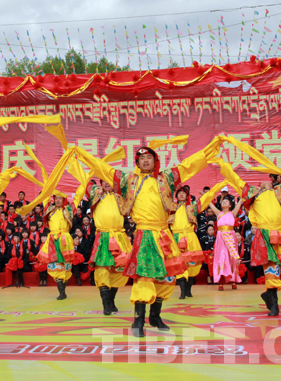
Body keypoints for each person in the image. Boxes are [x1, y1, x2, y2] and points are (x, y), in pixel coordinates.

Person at [77, 138, 222, 336]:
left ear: (155, 161)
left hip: (164, 234)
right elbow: (103, 169)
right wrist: (82, 154)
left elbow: (189, 166)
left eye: (149, 158)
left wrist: (207, 152)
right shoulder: (129, 180)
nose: (145, 161)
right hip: (144, 234)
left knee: (166, 276)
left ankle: (155, 315)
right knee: (144, 276)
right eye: (141, 158)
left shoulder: (167, 178)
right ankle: (138, 320)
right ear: (137, 163)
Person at [215, 159, 281, 317]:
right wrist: (223, 165)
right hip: (265, 235)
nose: (265, 184)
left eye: (267, 182)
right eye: (261, 184)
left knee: (278, 267)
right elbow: (236, 180)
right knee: (270, 268)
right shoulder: (254, 195)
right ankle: (274, 303)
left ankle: (269, 295)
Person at [170, 181, 226, 299]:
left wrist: (218, 187)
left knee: (192, 265)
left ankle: (188, 289)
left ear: (187, 196)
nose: (181, 195)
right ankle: (182, 290)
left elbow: (206, 198)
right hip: (176, 237)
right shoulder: (171, 208)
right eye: (179, 193)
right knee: (179, 264)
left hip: (190, 237)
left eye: (183, 193)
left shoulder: (193, 206)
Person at [87, 179, 132, 315]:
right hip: (103, 238)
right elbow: (86, 183)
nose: (107, 184)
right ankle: (106, 304)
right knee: (102, 269)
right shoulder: (96, 194)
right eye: (104, 181)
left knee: (118, 269)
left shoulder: (120, 196)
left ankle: (111, 301)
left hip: (119, 237)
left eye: (110, 181)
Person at [36, 193, 74, 300]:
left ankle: (63, 290)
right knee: (55, 265)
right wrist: (48, 188)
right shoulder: (50, 210)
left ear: (63, 200)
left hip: (65, 239)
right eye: (56, 198)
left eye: (60, 199)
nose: (58, 200)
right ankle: (61, 292)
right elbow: (45, 198)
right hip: (53, 240)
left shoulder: (68, 210)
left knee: (66, 266)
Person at [208, 195, 245, 290]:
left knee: (231, 257)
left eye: (226, 201)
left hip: (231, 238)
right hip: (220, 238)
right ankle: (220, 281)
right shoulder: (218, 213)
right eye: (222, 201)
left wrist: (242, 196)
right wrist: (205, 196)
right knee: (221, 257)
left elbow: (240, 201)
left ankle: (233, 280)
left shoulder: (232, 213)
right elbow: (209, 203)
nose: (224, 202)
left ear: (230, 205)